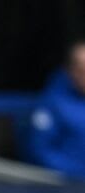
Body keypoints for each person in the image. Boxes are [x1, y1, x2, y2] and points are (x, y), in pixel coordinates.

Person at [28, 40, 85, 180]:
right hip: (65, 188)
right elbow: (38, 151)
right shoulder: (52, 103)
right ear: (71, 70)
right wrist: (78, 174)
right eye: (82, 70)